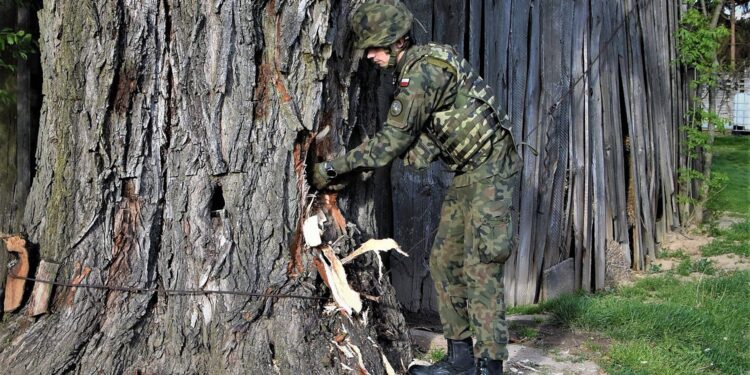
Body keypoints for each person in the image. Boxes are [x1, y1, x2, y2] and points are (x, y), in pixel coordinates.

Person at [311, 2, 521, 374]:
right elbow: (415, 144)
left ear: (398, 43)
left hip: (490, 171)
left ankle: (490, 367)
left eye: (376, 47)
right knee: (444, 262)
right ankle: (460, 361)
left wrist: (331, 168)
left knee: (482, 265)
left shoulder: (422, 73)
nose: (370, 55)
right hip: (468, 173)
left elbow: (393, 140)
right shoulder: (418, 66)